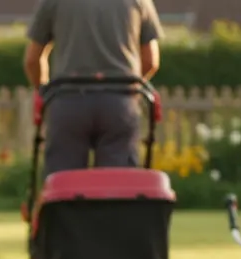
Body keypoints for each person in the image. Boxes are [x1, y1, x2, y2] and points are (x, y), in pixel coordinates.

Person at [24, 0, 163, 173]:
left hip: (68, 102)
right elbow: (151, 60)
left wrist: (43, 91)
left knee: (64, 184)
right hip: (119, 104)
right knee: (118, 186)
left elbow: (32, 60)